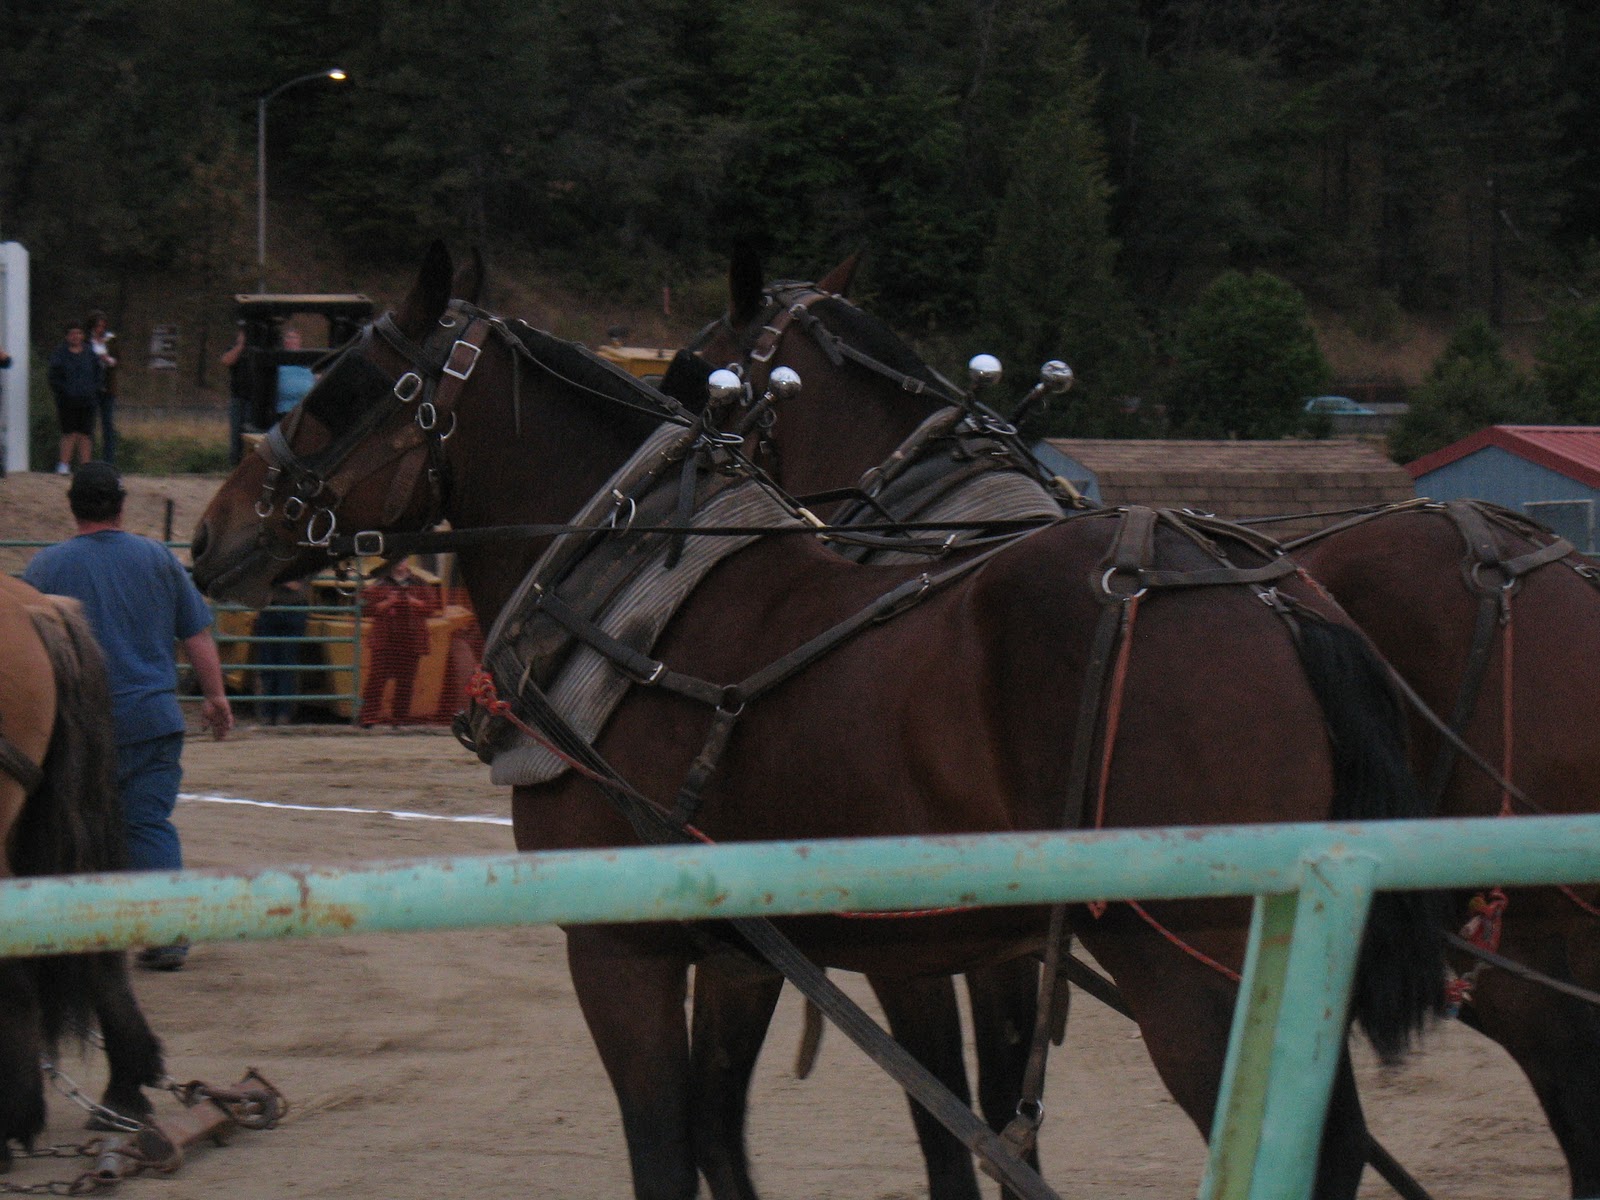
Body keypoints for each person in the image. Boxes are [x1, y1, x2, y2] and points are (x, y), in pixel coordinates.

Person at [24, 461, 234, 971]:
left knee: (73, 825)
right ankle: (166, 935)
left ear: (73, 508)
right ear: (121, 506)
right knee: (147, 825)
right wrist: (217, 697)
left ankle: (77, 937)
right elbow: (197, 636)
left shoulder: (47, 569)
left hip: (81, 726)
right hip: (153, 719)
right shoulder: (157, 559)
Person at [359, 559, 437, 726]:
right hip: (384, 639)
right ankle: (368, 717)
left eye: (404, 559)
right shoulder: (380, 583)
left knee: (406, 681)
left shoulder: (419, 582)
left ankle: (399, 718)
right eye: (398, 560)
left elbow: (432, 607)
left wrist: (413, 602)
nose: (401, 563)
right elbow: (365, 608)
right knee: (376, 679)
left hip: (411, 639)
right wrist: (388, 603)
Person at [47, 321, 103, 474]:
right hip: (67, 401)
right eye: (72, 333)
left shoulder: (90, 353)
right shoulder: (60, 354)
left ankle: (86, 467)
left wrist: (94, 390)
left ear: (83, 336)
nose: (75, 336)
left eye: (78, 333)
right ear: (67, 336)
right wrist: (64, 392)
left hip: (88, 401)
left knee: (86, 434)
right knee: (69, 433)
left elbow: (99, 374)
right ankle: (64, 465)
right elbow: (53, 377)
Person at [254, 579, 309, 725]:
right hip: (272, 606)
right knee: (270, 664)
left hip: (290, 607)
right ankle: (271, 713)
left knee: (286, 664)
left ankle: (280, 713)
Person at [85, 310, 119, 464]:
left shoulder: (111, 340)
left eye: (103, 326)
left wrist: (107, 359)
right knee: (89, 425)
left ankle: (109, 461)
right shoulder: (87, 342)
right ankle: (88, 460)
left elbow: (118, 360)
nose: (101, 328)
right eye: (98, 325)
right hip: (92, 388)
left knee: (108, 425)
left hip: (108, 388)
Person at [220, 325, 251, 463]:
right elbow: (226, 360)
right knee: (236, 433)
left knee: (250, 434)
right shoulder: (233, 349)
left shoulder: (256, 351)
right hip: (238, 398)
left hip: (254, 400)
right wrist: (240, 346)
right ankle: (234, 462)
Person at [274, 328, 316, 417]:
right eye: (289, 337)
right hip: (283, 411)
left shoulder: (307, 363)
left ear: (299, 341)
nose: (292, 340)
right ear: (284, 341)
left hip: (303, 412)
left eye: (295, 338)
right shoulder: (278, 361)